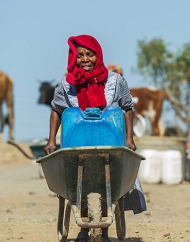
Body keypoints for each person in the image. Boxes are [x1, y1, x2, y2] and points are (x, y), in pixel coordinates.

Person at [43, 35, 146, 242]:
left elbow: (127, 108)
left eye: (90, 54)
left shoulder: (115, 81)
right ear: (73, 58)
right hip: (76, 144)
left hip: (110, 143)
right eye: (79, 55)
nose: (85, 59)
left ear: (98, 55)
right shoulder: (66, 84)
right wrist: (51, 140)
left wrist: (130, 138)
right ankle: (83, 230)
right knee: (77, 183)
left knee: (110, 184)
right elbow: (56, 110)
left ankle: (104, 230)